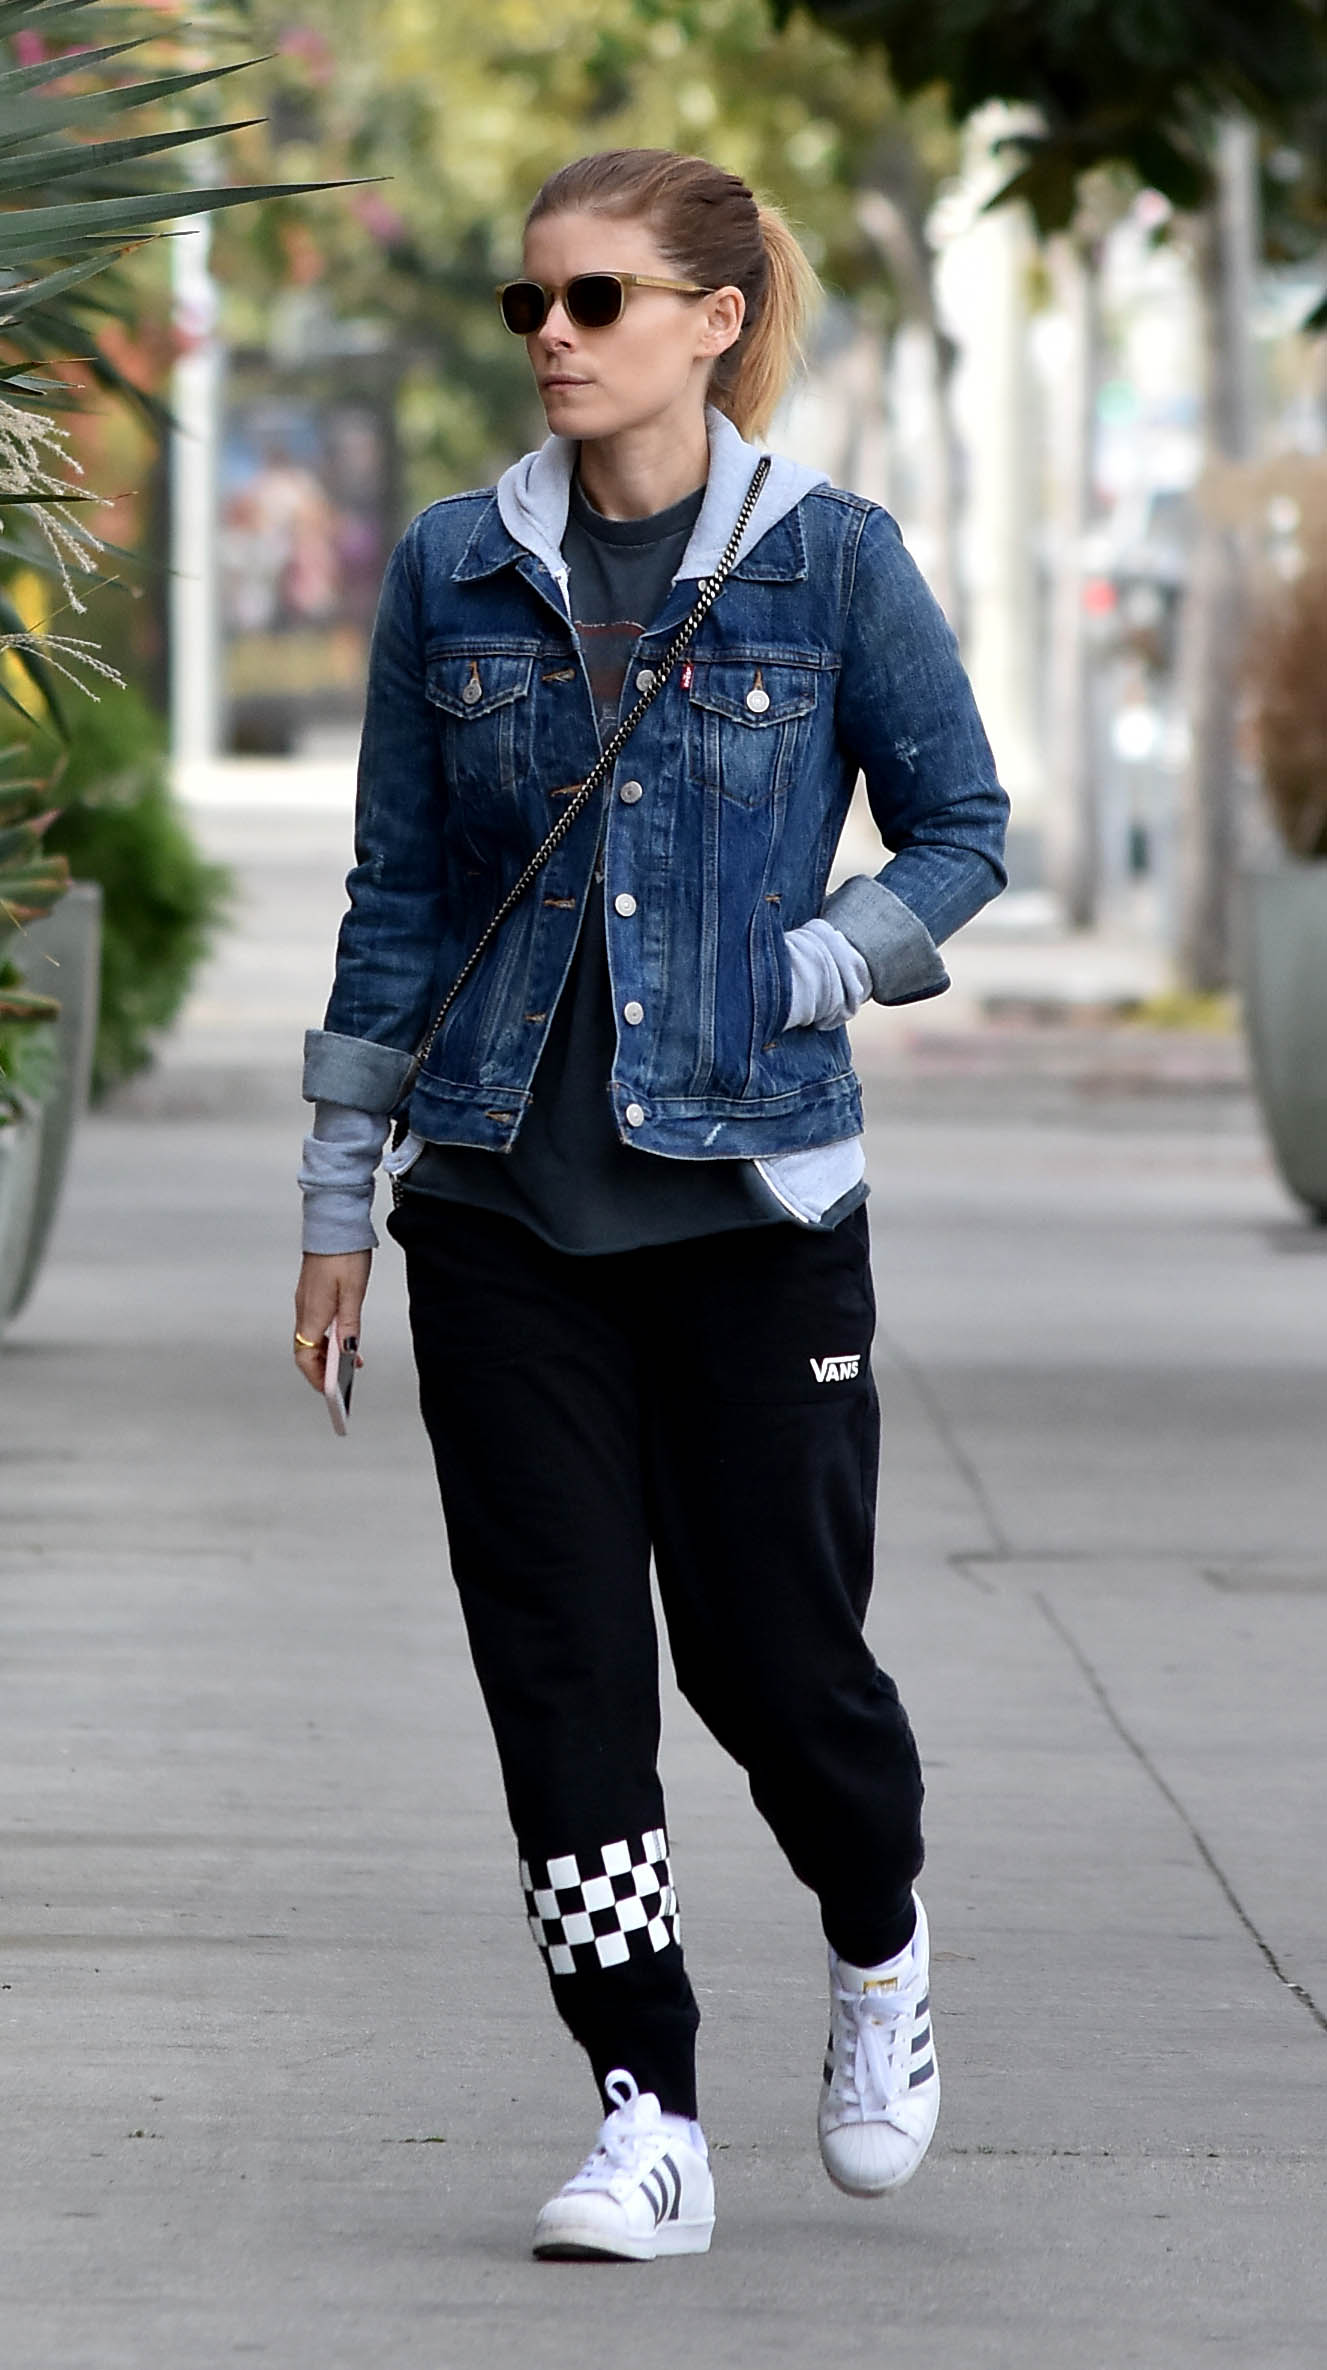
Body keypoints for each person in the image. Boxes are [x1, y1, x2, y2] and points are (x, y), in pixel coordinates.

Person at [293, 147, 1008, 2264]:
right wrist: (338, 1200)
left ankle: (876, 1938)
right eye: (529, 302)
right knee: (563, 1676)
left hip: (755, 1212)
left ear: (714, 319)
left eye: (594, 300)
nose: (552, 338)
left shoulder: (832, 562)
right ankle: (647, 2112)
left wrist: (816, 965)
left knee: (778, 1668)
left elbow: (962, 829)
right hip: (499, 1213)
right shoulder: (452, 568)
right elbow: (396, 900)